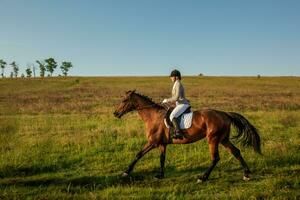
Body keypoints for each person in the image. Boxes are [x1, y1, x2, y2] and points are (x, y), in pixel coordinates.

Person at [162, 69, 190, 139]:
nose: (171, 78)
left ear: (176, 77)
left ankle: (178, 132)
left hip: (182, 104)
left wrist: (167, 100)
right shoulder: (176, 84)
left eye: (172, 76)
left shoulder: (178, 84)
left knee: (172, 116)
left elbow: (176, 97)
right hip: (180, 104)